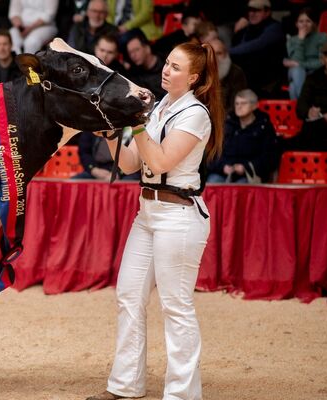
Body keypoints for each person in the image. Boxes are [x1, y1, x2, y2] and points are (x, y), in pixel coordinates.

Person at [87, 40, 225, 400]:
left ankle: (181, 395)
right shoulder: (161, 106)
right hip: (147, 211)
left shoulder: (195, 113)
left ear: (194, 78)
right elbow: (133, 163)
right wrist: (112, 132)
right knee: (129, 295)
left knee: (175, 305)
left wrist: (135, 125)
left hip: (179, 215)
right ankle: (125, 385)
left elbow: (162, 161)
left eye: (176, 67)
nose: (166, 70)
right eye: (167, 63)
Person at [207, 89, 278, 183]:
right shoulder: (226, 124)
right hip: (223, 172)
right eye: (237, 103)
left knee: (242, 186)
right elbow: (213, 152)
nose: (239, 107)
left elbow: (270, 157)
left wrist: (246, 167)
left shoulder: (264, 127)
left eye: (243, 103)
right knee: (212, 183)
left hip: (249, 174)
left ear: (254, 106)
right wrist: (223, 166)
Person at [229, 0, 285, 98]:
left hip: (267, 77)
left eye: (257, 11)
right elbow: (238, 47)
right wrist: (238, 32)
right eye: (250, 10)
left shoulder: (275, 27)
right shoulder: (248, 28)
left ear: (267, 12)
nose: (252, 14)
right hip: (247, 75)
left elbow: (256, 45)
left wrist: (226, 52)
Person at [293, 40, 327, 151]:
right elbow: (300, 108)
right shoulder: (313, 78)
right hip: (318, 128)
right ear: (322, 59)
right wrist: (310, 112)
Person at [284, 8, 327, 100]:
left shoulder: (322, 37)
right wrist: (300, 39)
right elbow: (296, 61)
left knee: (292, 87)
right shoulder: (292, 40)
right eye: (301, 21)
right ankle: (305, 104)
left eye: (308, 21)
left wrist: (301, 64)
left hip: (315, 72)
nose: (304, 24)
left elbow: (322, 62)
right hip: (296, 72)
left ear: (314, 24)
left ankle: (300, 110)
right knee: (297, 70)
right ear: (296, 24)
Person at [207, 38, 247, 113]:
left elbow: (236, 106)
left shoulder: (236, 73)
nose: (215, 58)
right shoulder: (198, 73)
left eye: (219, 53)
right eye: (211, 54)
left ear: (226, 54)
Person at [125, 34, 165, 99]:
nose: (133, 55)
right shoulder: (135, 75)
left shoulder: (166, 61)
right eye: (130, 53)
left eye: (136, 50)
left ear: (147, 49)